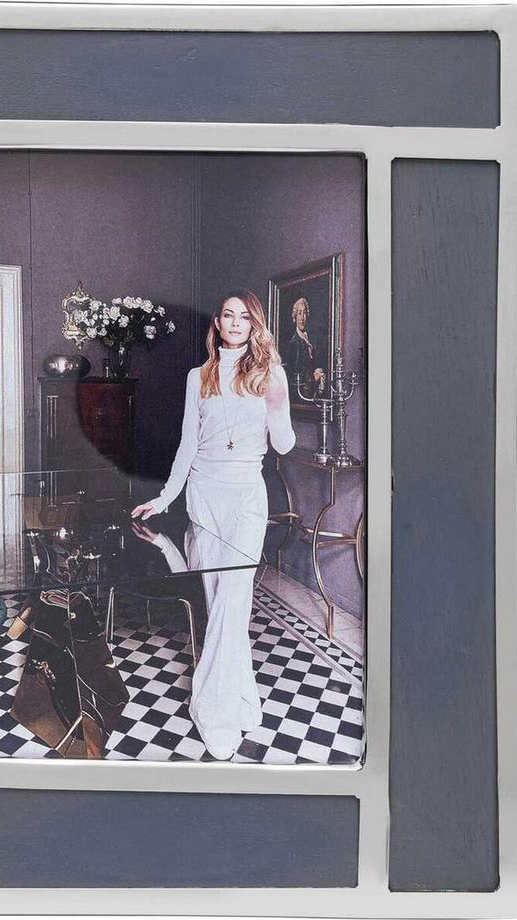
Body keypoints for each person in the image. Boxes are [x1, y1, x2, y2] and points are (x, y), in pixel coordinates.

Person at [131, 289, 296, 759]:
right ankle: (242, 695)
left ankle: (212, 710)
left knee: (233, 598)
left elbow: (283, 445)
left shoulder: (271, 373)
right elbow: (188, 444)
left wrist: (276, 401)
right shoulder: (198, 376)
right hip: (204, 495)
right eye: (229, 314)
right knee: (218, 600)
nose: (236, 322)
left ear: (255, 325)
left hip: (246, 497)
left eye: (245, 316)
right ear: (219, 323)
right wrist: (165, 498)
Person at [288, 296, 326, 399]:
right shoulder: (294, 343)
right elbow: (294, 377)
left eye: (304, 313)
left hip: (312, 393)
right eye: (299, 313)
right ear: (295, 317)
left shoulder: (309, 339)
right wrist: (313, 378)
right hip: (301, 396)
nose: (302, 317)